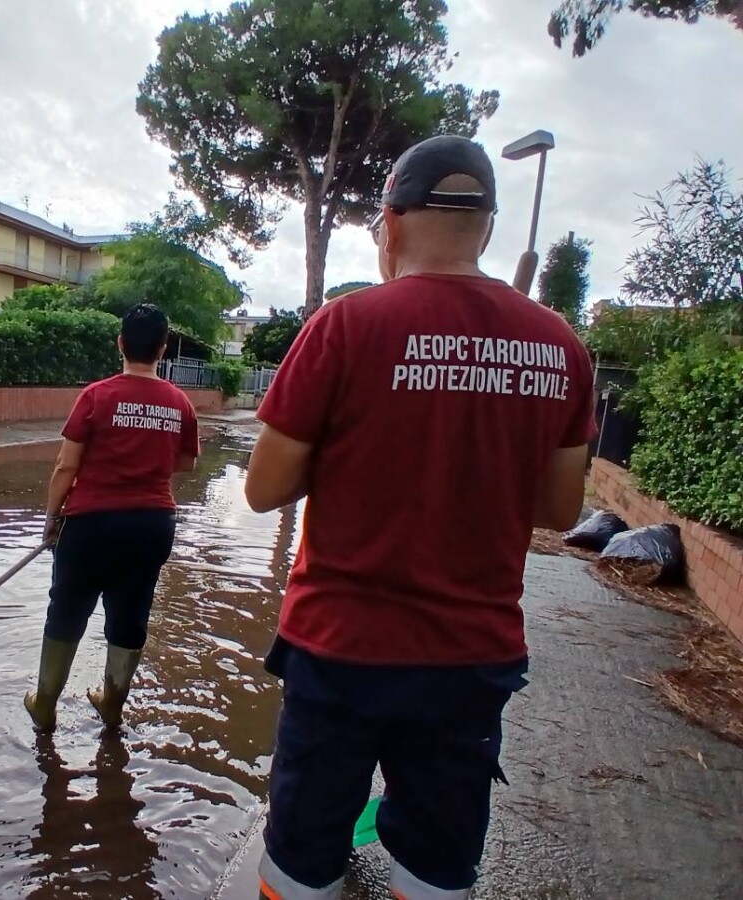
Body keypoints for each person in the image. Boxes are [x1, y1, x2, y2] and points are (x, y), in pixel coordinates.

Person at [244, 135, 596, 900]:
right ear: (490, 227)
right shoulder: (561, 346)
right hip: (471, 659)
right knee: (438, 864)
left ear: (390, 223)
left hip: (339, 648)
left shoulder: (345, 326)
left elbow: (263, 490)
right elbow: (560, 510)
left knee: (303, 857)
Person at [25, 303, 200, 733]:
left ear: (120, 343)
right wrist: (146, 459)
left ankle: (45, 702)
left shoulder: (96, 396)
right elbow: (187, 464)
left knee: (67, 610)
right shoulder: (180, 403)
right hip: (151, 525)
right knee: (131, 613)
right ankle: (112, 703)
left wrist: (51, 517)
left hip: (89, 525)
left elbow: (66, 466)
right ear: (163, 349)